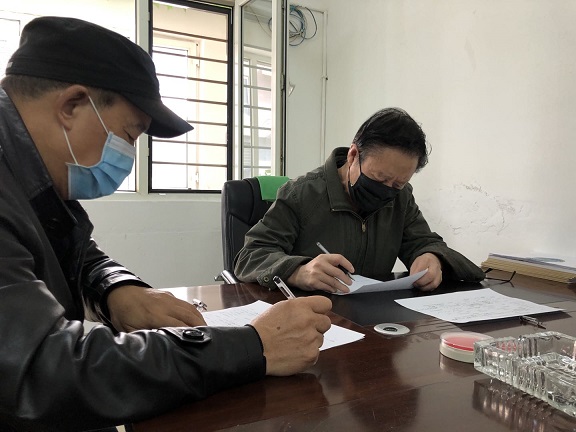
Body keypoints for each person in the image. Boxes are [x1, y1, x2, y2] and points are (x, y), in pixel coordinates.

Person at [0, 16, 332, 432]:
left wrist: (118, 289)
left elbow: (76, 251)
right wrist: (252, 345)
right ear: (72, 106)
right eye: (129, 135)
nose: (129, 155)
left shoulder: (31, 182)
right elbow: (39, 371)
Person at [234, 108, 485, 293]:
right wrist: (298, 271)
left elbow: (424, 242)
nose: (387, 190)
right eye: (380, 178)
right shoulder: (301, 194)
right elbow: (250, 257)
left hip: (376, 322)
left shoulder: (402, 198)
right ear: (354, 155)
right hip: (312, 319)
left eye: (398, 183)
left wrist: (431, 257)